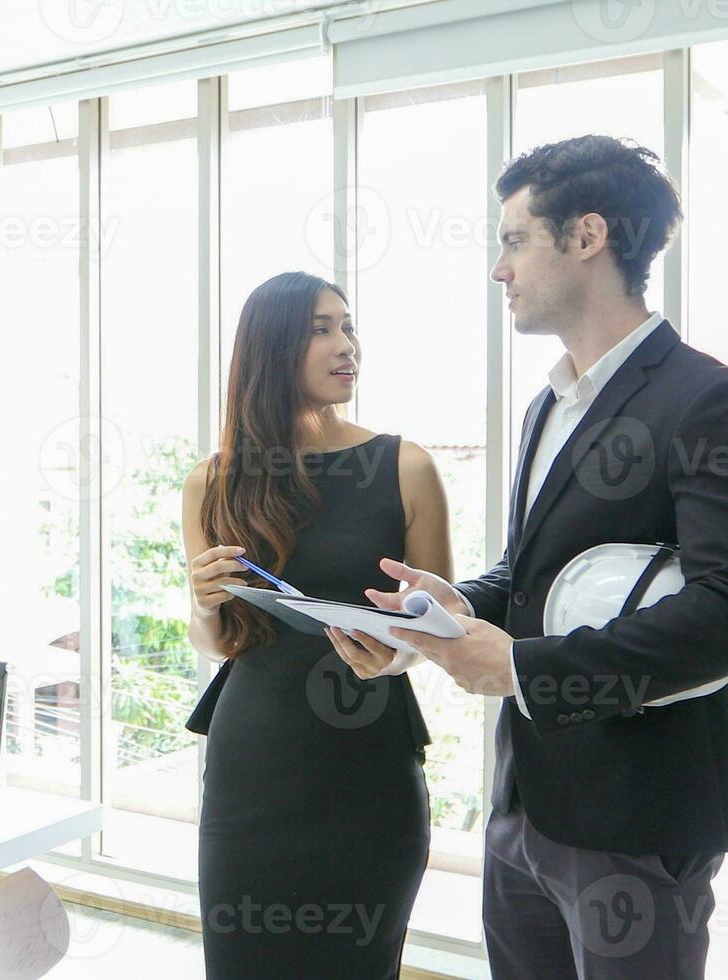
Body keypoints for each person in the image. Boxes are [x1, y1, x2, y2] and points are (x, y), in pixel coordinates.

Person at [331, 135, 728, 978]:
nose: (497, 270)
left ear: (586, 237)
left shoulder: (712, 401)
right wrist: (444, 613)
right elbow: (528, 575)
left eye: (513, 241)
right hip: (522, 810)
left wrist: (523, 671)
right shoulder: (549, 405)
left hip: (638, 819)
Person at [183, 271, 452, 979]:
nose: (346, 345)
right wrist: (205, 603)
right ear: (270, 349)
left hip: (368, 766)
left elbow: (440, 624)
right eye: (321, 329)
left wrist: (393, 659)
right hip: (252, 769)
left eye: (348, 325)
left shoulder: (405, 466)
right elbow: (219, 644)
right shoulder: (212, 481)